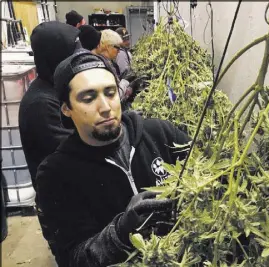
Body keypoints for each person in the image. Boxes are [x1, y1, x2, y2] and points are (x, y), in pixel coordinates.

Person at [35, 49, 191, 267]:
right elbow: (72, 258)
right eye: (88, 98)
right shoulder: (56, 174)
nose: (106, 108)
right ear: (66, 108)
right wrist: (120, 232)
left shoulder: (161, 133)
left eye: (110, 93)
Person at [19, 21, 81, 188]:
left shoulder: (55, 87)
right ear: (57, 56)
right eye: (73, 54)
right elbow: (72, 150)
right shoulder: (41, 103)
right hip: (60, 195)